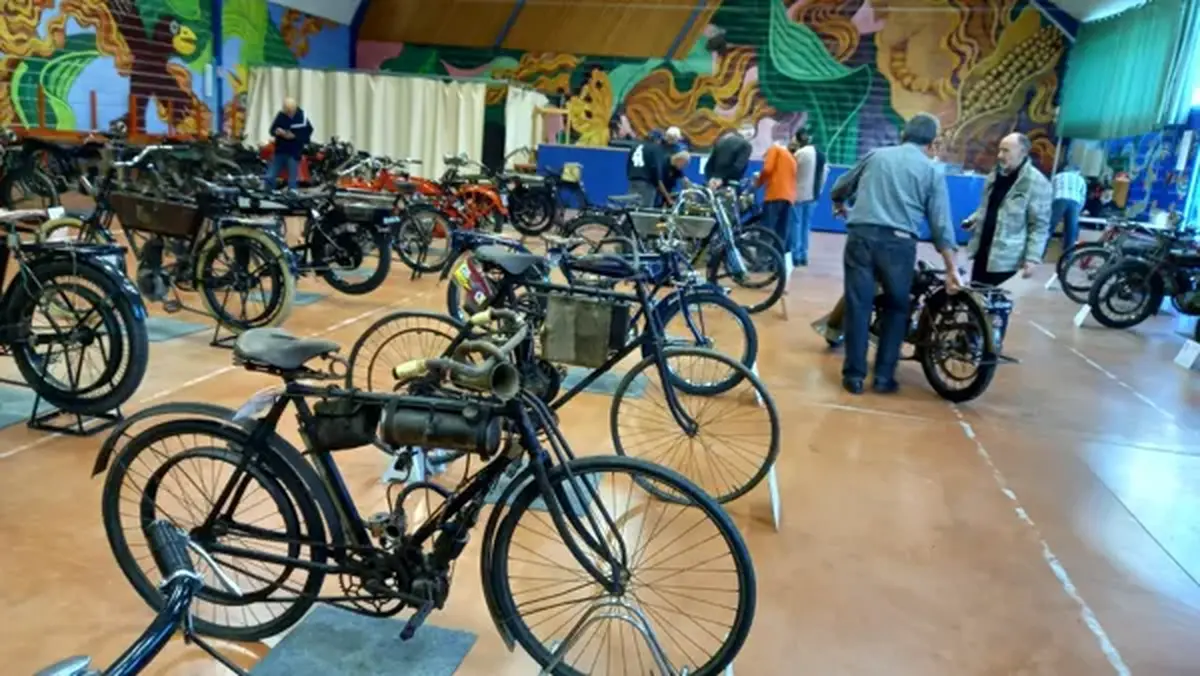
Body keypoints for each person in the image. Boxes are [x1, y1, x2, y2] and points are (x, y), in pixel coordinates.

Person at [829, 112, 962, 395]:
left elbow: (841, 186)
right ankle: (883, 377)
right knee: (897, 307)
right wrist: (952, 269)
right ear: (931, 142)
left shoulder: (876, 156)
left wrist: (840, 202)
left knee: (858, 305)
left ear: (904, 133)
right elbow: (940, 223)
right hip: (899, 245)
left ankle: (853, 376)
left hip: (861, 237)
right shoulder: (931, 170)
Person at [962, 133, 1052, 286]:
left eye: (1006, 151)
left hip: (1005, 260)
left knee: (995, 305)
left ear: (1022, 153)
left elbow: (1039, 226)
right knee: (975, 301)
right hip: (982, 252)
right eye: (999, 150)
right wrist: (974, 219)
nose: (999, 155)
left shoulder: (1036, 183)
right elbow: (990, 207)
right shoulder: (995, 175)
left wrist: (1032, 258)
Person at [792, 128, 827, 267]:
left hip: (798, 194)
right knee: (806, 226)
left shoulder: (800, 153)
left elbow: (792, 171)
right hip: (814, 195)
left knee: (796, 224)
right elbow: (824, 175)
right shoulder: (821, 154)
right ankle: (803, 255)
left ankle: (795, 255)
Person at [756, 139, 797, 257]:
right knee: (781, 232)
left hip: (775, 194)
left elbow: (767, 169)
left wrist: (758, 182)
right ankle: (776, 262)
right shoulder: (790, 156)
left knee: (767, 229)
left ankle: (761, 260)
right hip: (789, 197)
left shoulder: (774, 149)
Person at [263, 96, 313, 190]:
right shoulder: (281, 115)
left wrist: (295, 136)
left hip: (294, 152)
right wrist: (277, 132)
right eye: (287, 110)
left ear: (295, 108)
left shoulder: (302, 116)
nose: (289, 112)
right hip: (280, 151)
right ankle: (268, 193)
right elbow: (272, 130)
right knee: (270, 175)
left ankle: (292, 196)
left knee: (292, 179)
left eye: (290, 110)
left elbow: (308, 132)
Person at [1047, 158, 1086, 258]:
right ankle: (1068, 258)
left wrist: (1051, 207)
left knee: (1049, 228)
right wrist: (1079, 210)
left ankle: (1040, 254)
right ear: (1077, 171)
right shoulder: (1081, 179)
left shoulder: (1058, 176)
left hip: (1059, 199)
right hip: (1074, 202)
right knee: (1071, 231)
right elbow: (1082, 197)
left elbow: (1050, 192)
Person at [704, 123, 754, 189]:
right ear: (749, 134)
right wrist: (721, 179)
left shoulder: (721, 141)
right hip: (730, 185)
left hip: (713, 183)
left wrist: (711, 178)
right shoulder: (746, 145)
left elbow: (709, 165)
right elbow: (738, 167)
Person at [626, 133, 669, 207]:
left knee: (631, 206)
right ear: (657, 140)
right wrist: (658, 182)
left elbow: (629, 162)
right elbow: (655, 168)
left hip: (633, 181)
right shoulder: (655, 148)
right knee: (645, 210)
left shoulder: (635, 146)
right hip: (647, 183)